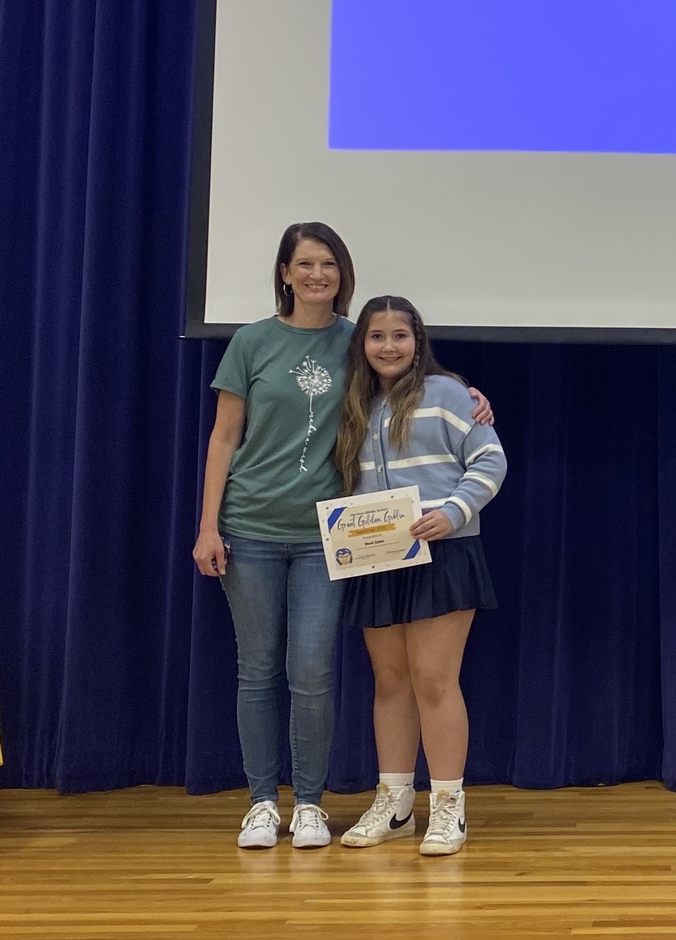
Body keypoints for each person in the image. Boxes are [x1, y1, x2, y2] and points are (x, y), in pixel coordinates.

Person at [193, 224, 493, 851]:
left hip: (374, 546)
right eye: (304, 264)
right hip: (289, 535)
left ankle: (345, 804)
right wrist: (207, 525)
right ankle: (292, 802)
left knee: (332, 673)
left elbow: (458, 432)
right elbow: (225, 436)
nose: (316, 275)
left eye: (328, 264)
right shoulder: (261, 346)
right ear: (284, 272)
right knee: (279, 673)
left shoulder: (374, 357)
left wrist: (468, 398)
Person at [335, 296, 507, 856]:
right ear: (362, 344)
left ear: (418, 341)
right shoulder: (351, 402)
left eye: (400, 335)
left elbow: (490, 460)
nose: (389, 346)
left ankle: (449, 805)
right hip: (376, 556)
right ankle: (395, 802)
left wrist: (452, 511)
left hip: (445, 554)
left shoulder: (450, 395)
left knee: (435, 680)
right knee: (391, 684)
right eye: (377, 336)